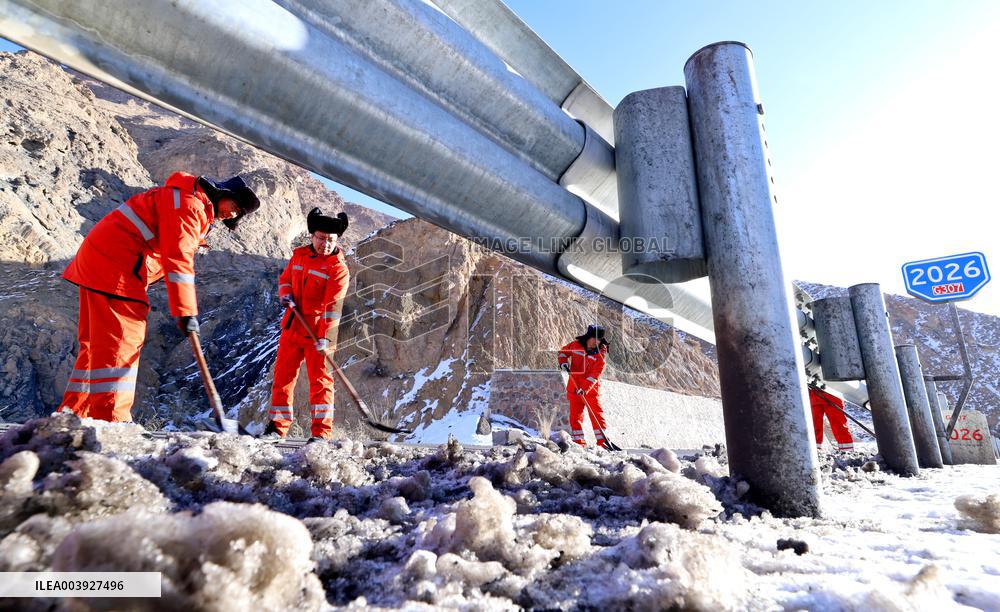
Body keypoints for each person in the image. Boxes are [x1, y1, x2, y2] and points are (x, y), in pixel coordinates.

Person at [58, 172, 260, 421]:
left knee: (96, 348)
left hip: (102, 264)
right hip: (116, 269)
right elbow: (178, 261)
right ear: (224, 194)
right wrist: (186, 312)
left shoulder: (183, 199)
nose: (233, 213)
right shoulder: (190, 206)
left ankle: (71, 416)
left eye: (239, 213)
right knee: (121, 343)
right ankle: (111, 422)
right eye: (235, 206)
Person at [263, 208, 350, 441]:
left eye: (331, 239)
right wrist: (286, 295)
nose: (326, 244)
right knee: (282, 379)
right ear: (312, 235)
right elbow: (285, 280)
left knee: (320, 383)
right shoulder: (299, 256)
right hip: (293, 327)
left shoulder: (338, 269)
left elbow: (334, 306)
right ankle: (276, 429)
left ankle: (321, 434)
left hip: (319, 332)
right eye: (322, 238)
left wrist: (326, 338)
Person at [557, 324, 610, 448]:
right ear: (588, 337)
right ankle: (579, 443)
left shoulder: (600, 357)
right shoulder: (575, 345)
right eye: (594, 339)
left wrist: (585, 388)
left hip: (590, 391)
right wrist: (563, 363)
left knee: (597, 416)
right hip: (574, 389)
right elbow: (563, 353)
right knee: (575, 418)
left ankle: (603, 443)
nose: (596, 342)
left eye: (599, 340)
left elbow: (594, 376)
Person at [809, 387, 855, 451]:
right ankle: (814, 449)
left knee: (838, 424)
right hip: (814, 394)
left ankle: (847, 450)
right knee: (813, 425)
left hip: (832, 393)